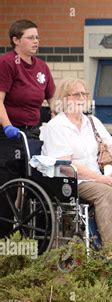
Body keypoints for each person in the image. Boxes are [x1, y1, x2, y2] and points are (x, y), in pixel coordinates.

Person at [41, 79, 112, 247]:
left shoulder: (92, 122)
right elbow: (67, 166)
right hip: (73, 180)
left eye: (84, 94)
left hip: (97, 177)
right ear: (64, 98)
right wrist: (100, 179)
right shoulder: (56, 126)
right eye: (76, 94)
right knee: (106, 192)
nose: (82, 98)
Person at [0, 19, 55, 237]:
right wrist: (7, 126)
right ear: (15, 40)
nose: (36, 41)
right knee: (8, 188)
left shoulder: (42, 67)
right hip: (9, 134)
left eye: (37, 37)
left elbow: (54, 100)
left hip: (32, 133)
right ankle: (4, 242)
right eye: (30, 37)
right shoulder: (6, 63)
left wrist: (62, 122)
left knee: (35, 183)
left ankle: (32, 239)